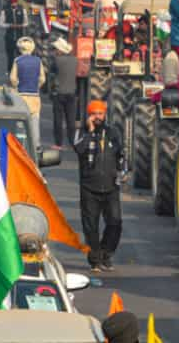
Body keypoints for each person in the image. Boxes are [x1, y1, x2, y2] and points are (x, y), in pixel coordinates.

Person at [75, 100, 124, 273]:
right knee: (91, 227)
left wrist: (121, 171)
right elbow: (79, 149)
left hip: (111, 187)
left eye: (100, 114)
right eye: (94, 114)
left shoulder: (113, 133)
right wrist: (89, 132)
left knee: (115, 223)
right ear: (88, 115)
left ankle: (106, 254)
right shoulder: (81, 133)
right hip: (89, 187)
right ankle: (95, 260)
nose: (97, 117)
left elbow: (121, 154)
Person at [10, 37, 46, 150]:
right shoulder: (38, 61)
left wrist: (16, 87)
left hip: (21, 95)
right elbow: (42, 79)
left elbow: (13, 78)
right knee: (34, 120)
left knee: (21, 122)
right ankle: (36, 145)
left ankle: (21, 144)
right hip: (34, 96)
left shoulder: (17, 61)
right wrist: (36, 86)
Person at [50, 38, 77, 150]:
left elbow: (52, 75)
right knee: (71, 120)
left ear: (60, 50)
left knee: (58, 119)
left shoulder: (56, 61)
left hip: (59, 93)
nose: (55, 51)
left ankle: (59, 143)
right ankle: (72, 142)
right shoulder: (75, 60)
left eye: (56, 49)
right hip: (71, 92)